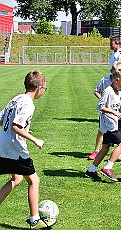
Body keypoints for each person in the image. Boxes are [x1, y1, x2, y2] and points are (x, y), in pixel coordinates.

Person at [0, 70, 56, 229]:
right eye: (44, 88)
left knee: (16, 179)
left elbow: (2, 120)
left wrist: (23, 130)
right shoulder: (28, 104)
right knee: (34, 180)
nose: (43, 91)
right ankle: (35, 220)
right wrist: (35, 140)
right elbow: (16, 126)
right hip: (15, 150)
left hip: (2, 146)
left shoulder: (15, 99)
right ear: (38, 88)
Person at [85, 69, 121, 181]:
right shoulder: (108, 91)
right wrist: (113, 112)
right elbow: (100, 107)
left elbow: (118, 104)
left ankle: (91, 170)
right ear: (117, 80)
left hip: (113, 123)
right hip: (109, 124)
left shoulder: (118, 91)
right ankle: (107, 168)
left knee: (105, 148)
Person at [88, 61, 121, 160]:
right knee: (101, 131)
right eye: (117, 71)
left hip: (118, 110)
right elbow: (96, 91)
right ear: (111, 71)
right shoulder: (105, 81)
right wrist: (103, 101)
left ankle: (119, 150)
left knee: (119, 130)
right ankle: (96, 151)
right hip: (106, 112)